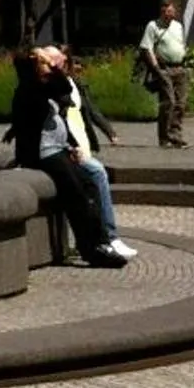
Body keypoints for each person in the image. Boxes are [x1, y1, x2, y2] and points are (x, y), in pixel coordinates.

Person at [6, 49, 122, 267]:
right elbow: (59, 87)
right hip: (44, 153)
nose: (47, 66)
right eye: (42, 63)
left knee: (89, 183)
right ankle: (90, 249)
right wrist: (51, 64)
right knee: (76, 194)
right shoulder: (29, 89)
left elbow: (65, 88)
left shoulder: (41, 86)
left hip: (58, 149)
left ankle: (103, 240)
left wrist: (71, 145)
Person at [41, 46, 136, 260]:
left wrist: (108, 131)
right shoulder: (49, 86)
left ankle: (103, 239)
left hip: (77, 146)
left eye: (63, 62)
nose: (60, 66)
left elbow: (90, 111)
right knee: (94, 177)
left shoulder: (73, 84)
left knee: (89, 185)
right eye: (56, 63)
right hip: (60, 149)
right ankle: (105, 239)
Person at [136, 0, 190, 149]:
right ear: (162, 11)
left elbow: (181, 43)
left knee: (180, 104)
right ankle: (165, 137)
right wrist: (156, 68)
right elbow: (146, 48)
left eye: (172, 11)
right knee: (169, 102)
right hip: (164, 69)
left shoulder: (178, 26)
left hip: (180, 67)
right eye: (167, 11)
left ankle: (176, 136)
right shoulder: (153, 26)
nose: (170, 14)